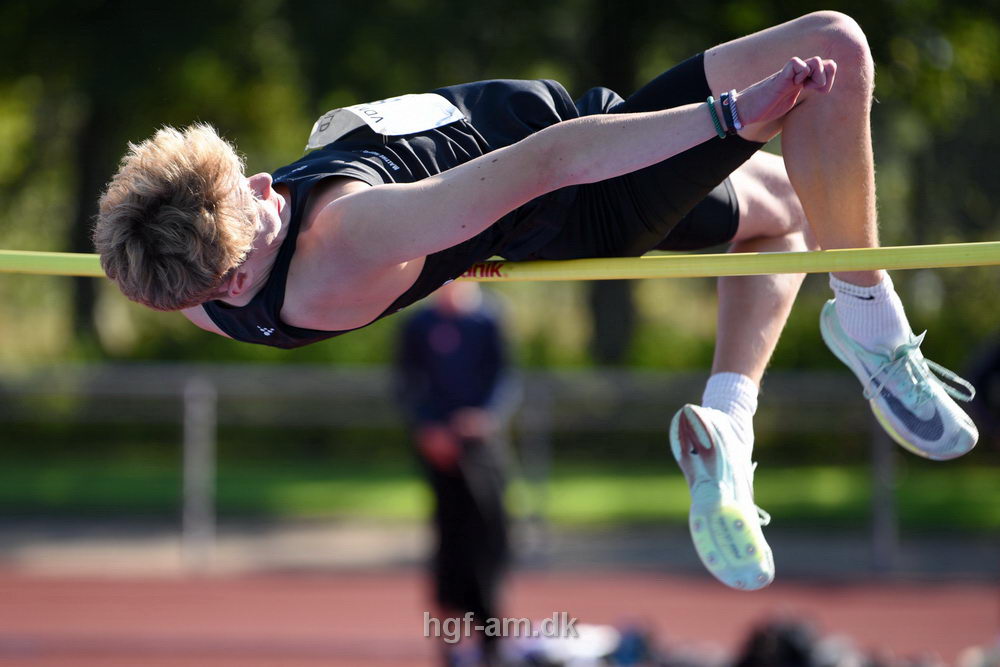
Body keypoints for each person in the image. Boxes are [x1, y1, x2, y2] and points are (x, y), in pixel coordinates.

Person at [93, 11, 978, 591]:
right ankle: (870, 327)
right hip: (583, 187)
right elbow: (556, 159)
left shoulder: (182, 280)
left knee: (790, 208)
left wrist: (443, 255)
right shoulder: (349, 235)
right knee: (837, 54)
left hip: (572, 135)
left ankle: (730, 434)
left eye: (255, 184)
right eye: (251, 232)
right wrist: (728, 116)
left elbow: (160, 233)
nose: (266, 189)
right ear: (231, 285)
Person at [395, 280, 511, 666]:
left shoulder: (488, 321)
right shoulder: (418, 325)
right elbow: (407, 383)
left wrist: (482, 419)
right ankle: (449, 639)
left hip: (481, 446)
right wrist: (429, 427)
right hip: (437, 447)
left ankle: (490, 634)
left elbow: (503, 379)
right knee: (449, 536)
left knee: (489, 532)